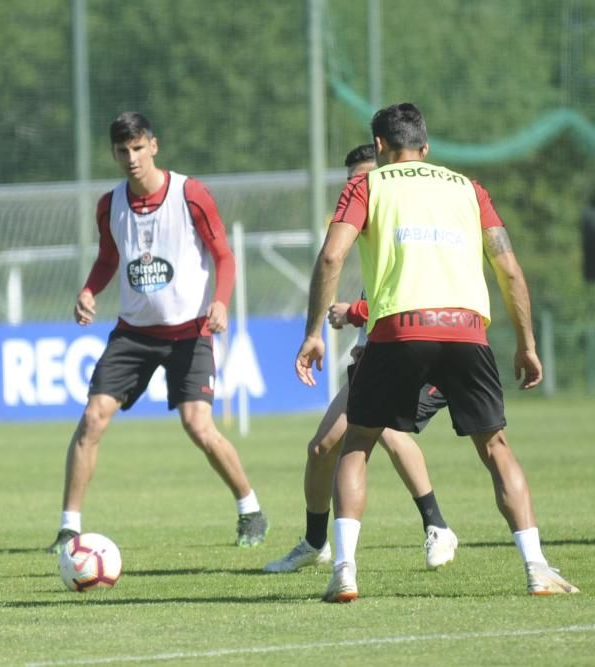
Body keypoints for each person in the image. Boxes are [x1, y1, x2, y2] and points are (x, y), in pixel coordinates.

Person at [295, 102, 579, 601]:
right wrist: (528, 344)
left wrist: (314, 330)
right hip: (467, 329)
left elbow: (332, 254)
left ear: (379, 146)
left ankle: (344, 570)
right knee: (495, 448)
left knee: (358, 442)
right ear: (426, 147)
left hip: (399, 328)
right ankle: (536, 567)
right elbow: (509, 269)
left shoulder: (367, 185)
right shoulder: (469, 189)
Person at [45, 111, 267, 553]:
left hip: (190, 331)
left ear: (154, 146)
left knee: (198, 425)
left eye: (138, 148)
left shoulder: (190, 194)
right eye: (122, 151)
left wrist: (220, 301)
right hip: (134, 334)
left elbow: (223, 255)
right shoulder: (110, 205)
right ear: (113, 153)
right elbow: (109, 258)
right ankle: (69, 528)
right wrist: (89, 290)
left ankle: (251, 510)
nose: (131, 158)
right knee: (92, 418)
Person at [264, 144, 458, 574]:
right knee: (321, 448)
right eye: (353, 180)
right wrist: (363, 331)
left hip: (430, 350)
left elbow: (418, 297)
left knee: (386, 428)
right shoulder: (369, 228)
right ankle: (316, 544)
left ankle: (437, 526)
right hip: (381, 353)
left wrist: (352, 311)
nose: (359, 186)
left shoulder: (410, 223)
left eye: (365, 176)